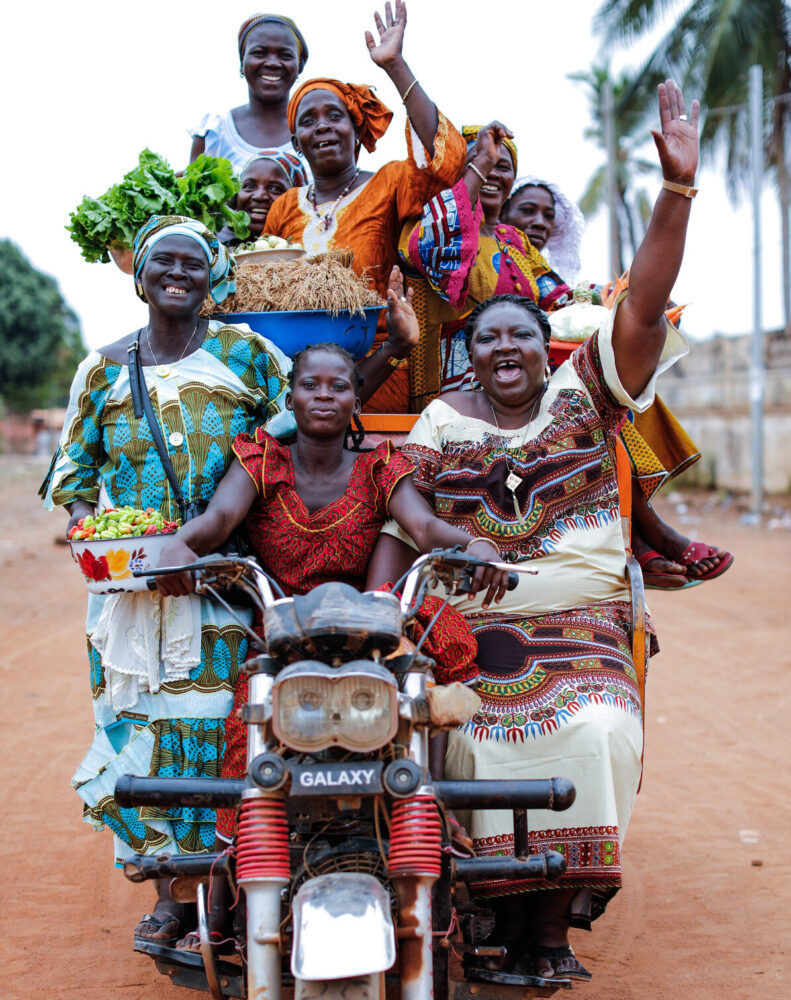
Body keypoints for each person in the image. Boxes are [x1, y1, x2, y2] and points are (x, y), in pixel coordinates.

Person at [366, 81, 701, 982]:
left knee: (590, 730)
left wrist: (676, 191)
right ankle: (494, 916)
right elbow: (405, 513)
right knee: (460, 737)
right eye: (486, 340)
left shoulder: (584, 390)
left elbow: (640, 305)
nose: (504, 349)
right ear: (469, 353)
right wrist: (375, 608)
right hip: (472, 633)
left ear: (543, 340)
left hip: (581, 631)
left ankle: (547, 935)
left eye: (520, 335)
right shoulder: (439, 419)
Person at [154, 334, 511, 952]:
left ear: (355, 399)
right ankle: (223, 903)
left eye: (338, 385)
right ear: (290, 396)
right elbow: (214, 523)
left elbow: (425, 527)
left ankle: (432, 818)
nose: (324, 395)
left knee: (423, 686)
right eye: (310, 385)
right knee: (250, 736)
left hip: (373, 626)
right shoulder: (262, 460)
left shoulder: (380, 465)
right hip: (288, 632)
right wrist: (179, 547)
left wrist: (471, 544)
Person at [39, 215, 292, 945]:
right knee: (139, 731)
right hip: (129, 595)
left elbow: (294, 428)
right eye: (162, 263)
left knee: (216, 730)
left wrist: (228, 517)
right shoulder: (103, 366)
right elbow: (75, 478)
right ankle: (172, 895)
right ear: (140, 275)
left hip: (222, 579)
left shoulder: (247, 355)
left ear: (213, 275)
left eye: (191, 263)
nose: (177, 274)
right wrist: (104, 540)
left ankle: (217, 890)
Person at [502, 178, 733, 587]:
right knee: (596, 408)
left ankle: (640, 537)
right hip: (499, 375)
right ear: (502, 212)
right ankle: (655, 535)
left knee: (620, 403)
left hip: (549, 374)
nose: (539, 222)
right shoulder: (492, 255)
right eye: (527, 211)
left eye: (548, 215)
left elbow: (570, 307)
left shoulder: (541, 269)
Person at [265, 0, 467, 412]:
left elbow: (444, 167)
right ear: (296, 143)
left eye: (334, 116)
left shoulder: (390, 182)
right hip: (292, 380)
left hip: (378, 369)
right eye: (308, 120)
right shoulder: (283, 207)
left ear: (357, 130)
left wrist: (396, 66)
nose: (321, 125)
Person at [397, 124, 571, 411]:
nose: (491, 171)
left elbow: (559, 299)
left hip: (518, 391)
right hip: (450, 395)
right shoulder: (427, 225)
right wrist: (481, 166)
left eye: (502, 165)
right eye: (479, 161)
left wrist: (612, 301)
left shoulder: (515, 239)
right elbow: (431, 251)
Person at [189, 13, 311, 178]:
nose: (273, 63)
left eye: (285, 55)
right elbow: (193, 197)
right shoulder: (215, 132)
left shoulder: (317, 132)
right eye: (260, 53)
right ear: (242, 63)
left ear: (299, 67)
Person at [216, 150, 307, 247]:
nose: (259, 196)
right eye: (250, 186)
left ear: (296, 199)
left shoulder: (308, 250)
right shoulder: (219, 253)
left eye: (275, 188)